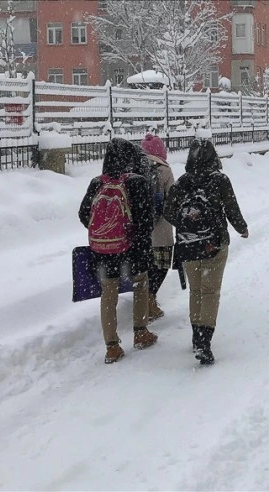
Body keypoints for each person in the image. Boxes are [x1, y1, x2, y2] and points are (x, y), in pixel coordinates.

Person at [164, 139, 249, 365]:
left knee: (196, 291)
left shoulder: (182, 183)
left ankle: (196, 336)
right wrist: (242, 228)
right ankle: (204, 341)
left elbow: (168, 211)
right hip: (214, 244)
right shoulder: (220, 180)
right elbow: (231, 208)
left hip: (188, 244)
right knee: (210, 292)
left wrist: (187, 223)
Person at [78, 138, 158, 364]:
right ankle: (141, 332)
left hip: (103, 250)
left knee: (108, 294)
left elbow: (84, 214)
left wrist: (105, 231)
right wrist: (132, 237)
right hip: (133, 248)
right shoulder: (137, 182)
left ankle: (112, 346)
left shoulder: (97, 183)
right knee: (140, 285)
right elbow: (146, 219)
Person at [140, 133, 175, 323]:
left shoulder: (134, 167)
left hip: (140, 230)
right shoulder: (164, 169)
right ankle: (150, 299)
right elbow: (173, 198)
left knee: (144, 267)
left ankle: (144, 300)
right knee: (160, 266)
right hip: (161, 230)